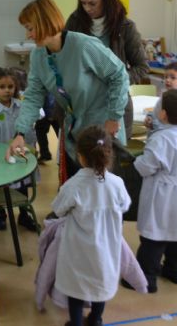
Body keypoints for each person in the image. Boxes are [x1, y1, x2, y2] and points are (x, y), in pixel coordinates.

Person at [8, 0, 129, 181]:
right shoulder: (38, 56)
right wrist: (20, 133)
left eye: (30, 28)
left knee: (103, 192)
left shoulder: (84, 46)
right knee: (76, 189)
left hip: (102, 130)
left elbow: (119, 74)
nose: (28, 35)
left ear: (45, 23)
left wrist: (113, 116)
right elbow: (33, 96)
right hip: (75, 134)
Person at [52, 126, 130, 326]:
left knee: (76, 290)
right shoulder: (117, 183)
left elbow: (59, 209)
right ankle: (96, 319)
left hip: (78, 250)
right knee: (100, 285)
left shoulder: (73, 185)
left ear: (80, 156)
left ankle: (76, 322)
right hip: (106, 247)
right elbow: (125, 205)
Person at [129, 89, 177, 293]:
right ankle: (175, 271)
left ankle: (146, 278)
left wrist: (137, 161)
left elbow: (147, 166)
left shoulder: (160, 139)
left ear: (162, 114)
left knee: (154, 238)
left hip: (163, 193)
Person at [66, 0, 149, 139]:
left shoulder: (125, 27)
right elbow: (66, 60)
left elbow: (142, 67)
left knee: (112, 159)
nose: (87, 8)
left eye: (92, 3)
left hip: (115, 105)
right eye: (83, 3)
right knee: (82, 157)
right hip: (83, 105)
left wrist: (117, 81)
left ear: (106, 0)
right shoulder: (75, 23)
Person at [0, 68, 39, 232]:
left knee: (22, 185)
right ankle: (1, 214)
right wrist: (2, 151)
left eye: (10, 87)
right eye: (2, 87)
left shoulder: (21, 107)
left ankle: (24, 214)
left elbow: (30, 129)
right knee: (0, 186)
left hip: (21, 156)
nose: (7, 90)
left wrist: (29, 147)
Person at [144, 62, 177, 134]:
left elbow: (170, 123)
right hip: (157, 130)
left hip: (166, 134)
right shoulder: (166, 94)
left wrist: (153, 124)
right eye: (165, 77)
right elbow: (157, 110)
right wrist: (150, 116)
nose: (167, 80)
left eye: (173, 78)